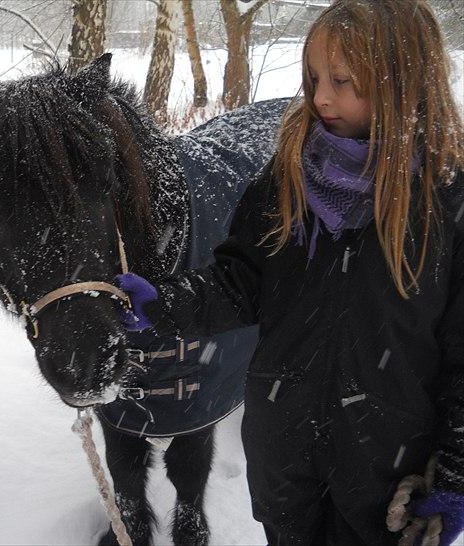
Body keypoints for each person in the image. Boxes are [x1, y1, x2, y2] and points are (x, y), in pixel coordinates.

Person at [116, 0, 464, 544]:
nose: (321, 97)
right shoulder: (289, 180)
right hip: (286, 468)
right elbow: (240, 284)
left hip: (389, 485)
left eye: (343, 81)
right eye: (313, 78)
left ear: (404, 82)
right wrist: (162, 303)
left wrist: (454, 480)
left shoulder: (447, 203)